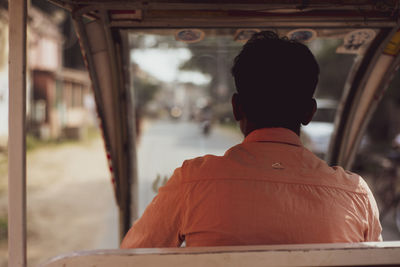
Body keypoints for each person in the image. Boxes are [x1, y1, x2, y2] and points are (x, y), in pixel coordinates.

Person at [121, 31, 382, 249]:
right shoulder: (355, 194)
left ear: (236, 108)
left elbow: (131, 257)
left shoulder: (192, 182)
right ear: (309, 112)